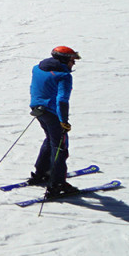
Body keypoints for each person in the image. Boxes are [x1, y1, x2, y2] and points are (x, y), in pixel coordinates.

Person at [28, 46, 79, 199]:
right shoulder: (64, 76)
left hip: (38, 109)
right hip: (52, 113)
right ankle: (57, 184)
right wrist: (64, 121)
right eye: (72, 60)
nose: (73, 64)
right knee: (60, 148)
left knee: (51, 139)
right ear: (64, 60)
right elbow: (62, 100)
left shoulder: (37, 68)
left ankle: (42, 172)